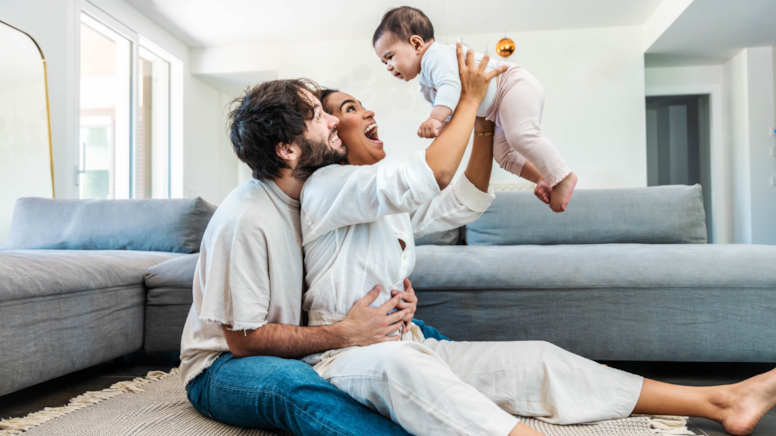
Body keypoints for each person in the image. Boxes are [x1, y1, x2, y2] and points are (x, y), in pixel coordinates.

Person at [239, 44, 774, 436]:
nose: (367, 112)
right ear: (325, 139)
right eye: (349, 111)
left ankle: (722, 400)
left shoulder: (376, 200)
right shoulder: (330, 185)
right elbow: (432, 175)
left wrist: (488, 120)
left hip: (404, 345)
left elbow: (458, 197)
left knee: (536, 360)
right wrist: (468, 98)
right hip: (347, 360)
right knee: (405, 371)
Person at [178, 77, 450, 436]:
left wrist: (394, 303)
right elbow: (244, 342)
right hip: (222, 367)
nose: (335, 121)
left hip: (299, 344)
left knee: (414, 336)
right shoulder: (245, 219)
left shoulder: (318, 196)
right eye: (320, 116)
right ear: (288, 149)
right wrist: (346, 333)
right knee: (293, 384)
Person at [373, 6, 576, 212]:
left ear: (416, 43)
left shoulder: (434, 57)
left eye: (390, 57)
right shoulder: (425, 85)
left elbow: (449, 86)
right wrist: (442, 127)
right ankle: (544, 177)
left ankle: (563, 176)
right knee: (503, 156)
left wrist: (435, 118)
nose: (388, 66)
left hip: (511, 85)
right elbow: (453, 111)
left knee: (520, 136)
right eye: (383, 62)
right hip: (496, 110)